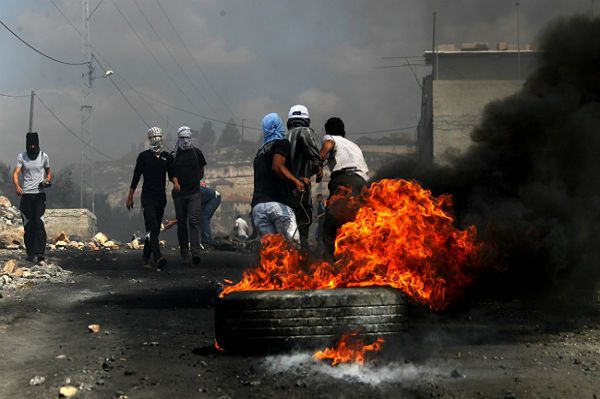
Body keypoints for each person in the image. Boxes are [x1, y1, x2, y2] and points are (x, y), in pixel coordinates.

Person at [251, 113, 308, 243]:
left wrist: (297, 178)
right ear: (278, 126)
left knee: (271, 253)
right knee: (292, 247)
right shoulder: (281, 143)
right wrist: (295, 181)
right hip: (278, 205)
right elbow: (277, 167)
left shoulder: (259, 152)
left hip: (258, 208)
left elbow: (270, 175)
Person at [319, 117, 369, 261]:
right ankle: (359, 263)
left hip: (344, 182)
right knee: (356, 225)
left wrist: (319, 158)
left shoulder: (330, 138)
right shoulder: (354, 146)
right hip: (362, 184)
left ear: (327, 131)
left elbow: (327, 145)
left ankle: (328, 266)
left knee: (329, 225)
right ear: (344, 131)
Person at [126, 127, 173, 271]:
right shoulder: (144, 156)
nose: (156, 139)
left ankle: (146, 257)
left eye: (158, 136)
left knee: (152, 231)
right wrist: (130, 197)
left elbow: (172, 174)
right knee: (152, 229)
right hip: (147, 198)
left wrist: (176, 183)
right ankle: (158, 257)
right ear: (149, 139)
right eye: (153, 137)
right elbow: (136, 177)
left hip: (161, 199)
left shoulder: (167, 157)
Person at [285, 105, 322, 248]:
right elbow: (311, 149)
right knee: (303, 225)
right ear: (307, 120)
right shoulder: (306, 131)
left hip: (284, 192)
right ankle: (302, 258)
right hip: (300, 191)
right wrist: (318, 164)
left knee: (288, 229)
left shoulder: (283, 137)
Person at [12, 132, 52, 263]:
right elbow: (16, 173)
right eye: (31, 145)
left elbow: (49, 172)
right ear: (27, 144)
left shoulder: (43, 156)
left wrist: (47, 180)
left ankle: (40, 253)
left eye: (35, 144)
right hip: (26, 195)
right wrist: (17, 186)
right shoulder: (22, 156)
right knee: (28, 225)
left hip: (40, 195)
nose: (33, 147)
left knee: (39, 223)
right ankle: (30, 253)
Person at [171, 126, 207, 265]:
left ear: (191, 138)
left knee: (193, 220)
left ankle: (196, 252)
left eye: (187, 137)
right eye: (182, 138)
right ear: (178, 138)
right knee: (181, 223)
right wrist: (176, 183)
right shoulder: (174, 155)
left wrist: (193, 181)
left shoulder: (197, 153)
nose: (185, 140)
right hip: (179, 195)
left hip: (194, 193)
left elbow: (201, 170)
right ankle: (185, 253)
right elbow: (171, 173)